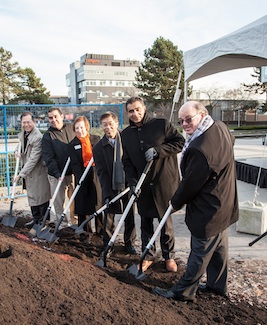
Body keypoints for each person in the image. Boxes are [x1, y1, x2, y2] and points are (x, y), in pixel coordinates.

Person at [153, 101, 239, 302]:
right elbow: (230, 143)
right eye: (181, 120)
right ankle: (217, 286)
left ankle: (183, 291)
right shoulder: (219, 126)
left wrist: (174, 203)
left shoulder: (200, 148)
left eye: (188, 119)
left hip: (209, 208)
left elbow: (190, 184)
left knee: (200, 250)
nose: (184, 124)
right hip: (225, 201)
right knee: (218, 247)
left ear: (202, 114)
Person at [121, 97, 185, 272]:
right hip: (143, 185)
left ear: (144, 108)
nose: (135, 114)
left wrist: (159, 151)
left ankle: (169, 256)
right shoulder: (125, 135)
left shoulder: (161, 125)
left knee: (165, 222)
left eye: (137, 109)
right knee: (145, 221)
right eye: (131, 111)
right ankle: (148, 255)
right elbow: (126, 161)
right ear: (127, 113)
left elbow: (180, 143)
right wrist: (133, 183)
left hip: (164, 182)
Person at [93, 111, 137, 255]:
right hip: (111, 184)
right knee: (109, 215)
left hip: (128, 183)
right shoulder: (99, 148)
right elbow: (101, 172)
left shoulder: (126, 140)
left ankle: (129, 243)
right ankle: (108, 244)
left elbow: (134, 163)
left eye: (110, 124)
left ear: (117, 124)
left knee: (129, 214)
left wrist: (133, 183)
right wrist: (106, 192)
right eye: (104, 125)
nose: (108, 127)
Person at [14, 111, 51, 228]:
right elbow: (21, 147)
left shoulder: (38, 137)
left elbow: (33, 159)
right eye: (24, 122)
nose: (26, 125)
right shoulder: (23, 135)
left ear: (34, 122)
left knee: (41, 197)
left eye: (28, 122)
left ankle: (43, 221)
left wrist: (21, 174)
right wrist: (16, 151)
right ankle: (36, 219)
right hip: (29, 172)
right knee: (32, 196)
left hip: (37, 172)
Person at [42, 107, 76, 228]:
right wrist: (57, 174)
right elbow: (48, 158)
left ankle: (75, 223)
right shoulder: (47, 136)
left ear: (62, 116)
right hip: (57, 175)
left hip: (73, 172)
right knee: (59, 202)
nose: (53, 119)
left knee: (74, 200)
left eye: (56, 116)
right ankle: (62, 225)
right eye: (51, 118)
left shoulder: (72, 128)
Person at [68, 116, 100, 241]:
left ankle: (100, 231)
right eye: (77, 128)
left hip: (96, 175)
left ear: (86, 127)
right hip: (82, 176)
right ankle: (85, 233)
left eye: (81, 127)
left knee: (98, 203)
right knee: (83, 205)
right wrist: (80, 177)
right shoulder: (73, 144)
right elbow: (74, 164)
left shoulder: (96, 140)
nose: (79, 130)